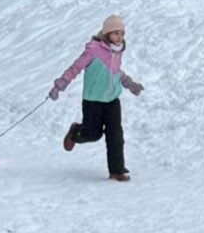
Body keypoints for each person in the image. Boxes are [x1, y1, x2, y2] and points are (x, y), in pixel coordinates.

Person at [48, 15, 144, 179]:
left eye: (122, 33)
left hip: (112, 101)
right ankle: (75, 132)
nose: (119, 37)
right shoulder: (94, 50)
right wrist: (60, 84)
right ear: (107, 34)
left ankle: (117, 170)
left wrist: (129, 84)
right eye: (115, 33)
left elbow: (117, 72)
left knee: (116, 135)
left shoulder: (117, 52)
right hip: (93, 101)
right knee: (93, 134)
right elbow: (75, 68)